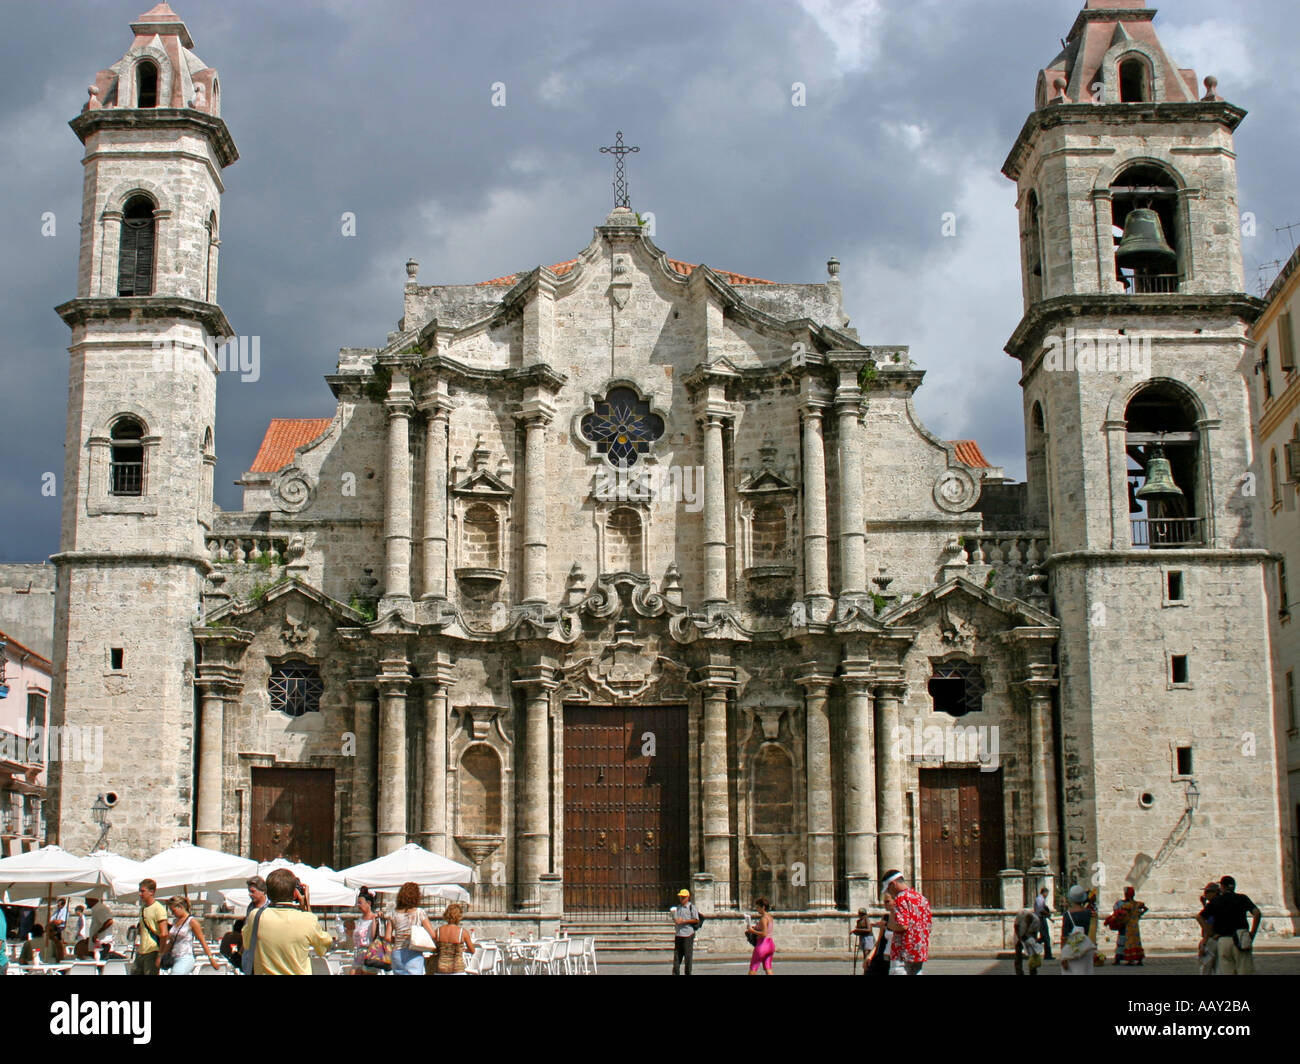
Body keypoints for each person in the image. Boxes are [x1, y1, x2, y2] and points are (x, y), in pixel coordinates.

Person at [240, 867, 332, 976]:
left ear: (268, 893)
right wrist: (307, 908)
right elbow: (324, 946)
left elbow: (247, 944)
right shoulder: (307, 920)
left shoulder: (255, 916)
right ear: (294, 894)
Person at [1204, 875, 1262, 976]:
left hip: (1224, 940)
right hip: (1240, 938)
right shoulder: (1242, 898)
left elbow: (1200, 917)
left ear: (1222, 886)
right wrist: (1252, 932)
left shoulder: (1216, 901)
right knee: (1244, 970)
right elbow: (1257, 913)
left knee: (1226, 970)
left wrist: (1211, 933)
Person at [881, 869, 931, 975]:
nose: (889, 892)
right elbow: (928, 925)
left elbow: (903, 926)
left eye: (888, 889)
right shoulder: (921, 898)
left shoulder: (900, 898)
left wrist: (890, 925)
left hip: (905, 950)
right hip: (920, 947)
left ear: (893, 884)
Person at [387, 881, 437, 976]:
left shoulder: (393, 914)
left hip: (397, 952)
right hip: (413, 951)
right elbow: (433, 934)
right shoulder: (419, 912)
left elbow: (387, 938)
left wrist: (398, 939)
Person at [163, 897, 220, 975]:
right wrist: (161, 955)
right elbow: (171, 942)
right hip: (173, 958)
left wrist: (211, 959)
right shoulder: (176, 921)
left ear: (180, 907)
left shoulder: (191, 921)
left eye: (173, 911)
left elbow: (202, 941)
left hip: (185, 957)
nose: (173, 914)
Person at [133, 879, 169, 975]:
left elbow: (164, 933)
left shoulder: (158, 909)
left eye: (143, 891)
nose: (140, 894)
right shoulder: (143, 908)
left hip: (153, 951)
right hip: (141, 951)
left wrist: (160, 955)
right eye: (139, 891)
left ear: (151, 892)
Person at [429, 903, 476, 974]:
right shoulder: (463, 932)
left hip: (441, 969)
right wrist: (463, 950)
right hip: (457, 969)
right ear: (459, 916)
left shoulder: (438, 931)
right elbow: (473, 950)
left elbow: (434, 949)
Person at [1059, 885, 1096, 975]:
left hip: (1072, 948)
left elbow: (1064, 936)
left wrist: (1063, 955)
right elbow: (1092, 931)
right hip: (1086, 947)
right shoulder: (1088, 913)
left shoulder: (1067, 915)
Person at [351, 888, 382, 974]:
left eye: (360, 903)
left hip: (370, 953)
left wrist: (375, 921)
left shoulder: (374, 918)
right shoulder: (360, 919)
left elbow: (373, 936)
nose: (358, 905)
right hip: (359, 953)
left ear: (368, 903)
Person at [670, 888, 700, 975]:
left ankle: (688, 973)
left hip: (688, 934)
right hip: (679, 934)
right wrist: (675, 919)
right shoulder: (678, 908)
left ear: (687, 898)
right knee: (677, 956)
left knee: (688, 956)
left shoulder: (691, 907)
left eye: (683, 897)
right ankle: (675, 973)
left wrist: (684, 921)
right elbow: (675, 919)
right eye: (680, 897)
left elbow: (696, 920)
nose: (681, 899)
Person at [1115, 886, 1147, 965]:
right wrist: (1139, 914)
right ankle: (1139, 960)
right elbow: (1145, 908)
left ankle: (1130, 960)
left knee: (1129, 943)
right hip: (1135, 926)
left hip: (1128, 926)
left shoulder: (1127, 905)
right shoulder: (1137, 904)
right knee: (1136, 943)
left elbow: (1123, 914)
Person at [1195, 882, 1220, 975]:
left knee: (1206, 968)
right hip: (1214, 939)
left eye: (1208, 892)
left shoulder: (1214, 905)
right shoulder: (1214, 904)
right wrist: (1204, 904)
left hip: (1211, 940)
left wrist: (1205, 941)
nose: (1205, 894)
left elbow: (1209, 923)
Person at [746, 897, 775, 975]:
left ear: (763, 907)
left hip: (762, 945)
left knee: (753, 968)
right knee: (768, 968)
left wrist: (752, 931)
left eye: (758, 907)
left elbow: (764, 933)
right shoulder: (770, 917)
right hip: (770, 944)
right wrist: (756, 928)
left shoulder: (763, 918)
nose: (757, 909)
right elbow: (767, 930)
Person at [1013, 907, 1041, 975]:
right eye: (1026, 921)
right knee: (1018, 955)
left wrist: (1035, 942)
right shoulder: (1021, 915)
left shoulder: (1036, 920)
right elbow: (1016, 926)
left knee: (1032, 955)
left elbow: (1035, 933)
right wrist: (1019, 937)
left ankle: (1033, 971)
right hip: (1019, 935)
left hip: (1029, 937)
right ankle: (1019, 972)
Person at [851, 908, 875, 974]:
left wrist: (859, 930)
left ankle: (867, 970)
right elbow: (858, 929)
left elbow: (869, 929)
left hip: (868, 937)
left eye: (861, 914)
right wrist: (855, 931)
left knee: (867, 954)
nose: (860, 915)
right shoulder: (859, 921)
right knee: (865, 954)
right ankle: (866, 970)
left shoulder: (866, 919)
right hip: (862, 937)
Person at [1033, 886, 1053, 960]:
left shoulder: (1041, 899)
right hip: (1040, 919)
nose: (1047, 895)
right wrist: (1047, 914)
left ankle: (1047, 954)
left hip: (1042, 918)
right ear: (1044, 893)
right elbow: (1041, 910)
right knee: (1046, 937)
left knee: (1044, 937)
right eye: (1047, 893)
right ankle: (1048, 955)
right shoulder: (1040, 899)